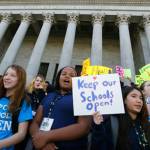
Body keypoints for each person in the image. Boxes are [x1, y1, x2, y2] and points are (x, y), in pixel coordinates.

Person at [30, 66, 92, 150]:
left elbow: (84, 127)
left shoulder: (83, 97)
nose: (67, 76)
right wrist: (39, 140)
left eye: (72, 75)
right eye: (64, 74)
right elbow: (35, 122)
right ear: (58, 78)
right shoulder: (49, 96)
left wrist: (46, 137)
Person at [92, 85, 150, 150]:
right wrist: (98, 127)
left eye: (141, 98)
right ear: (124, 100)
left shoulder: (145, 123)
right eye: (134, 96)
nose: (139, 101)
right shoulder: (113, 123)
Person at [0, 64, 33, 150]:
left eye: (12, 75)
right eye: (6, 74)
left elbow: (21, 134)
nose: (6, 77)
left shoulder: (24, 102)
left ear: (20, 81)